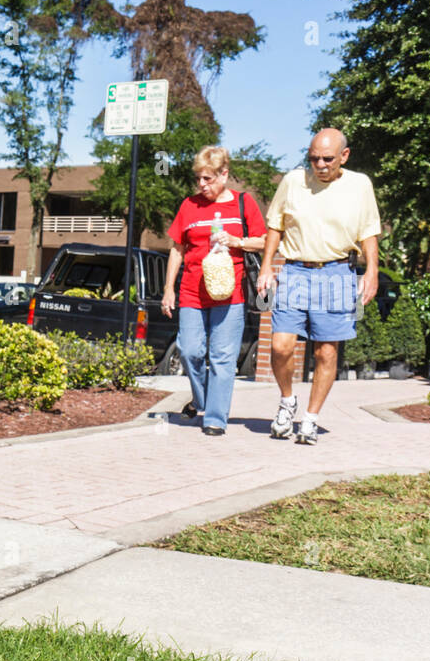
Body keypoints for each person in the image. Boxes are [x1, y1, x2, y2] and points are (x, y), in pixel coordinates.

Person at [256, 128, 380, 444]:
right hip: (295, 271)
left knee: (326, 351)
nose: (320, 164)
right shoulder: (293, 181)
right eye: (314, 158)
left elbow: (369, 232)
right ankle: (287, 402)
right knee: (280, 346)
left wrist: (372, 272)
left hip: (338, 273)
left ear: (344, 156)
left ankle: (310, 419)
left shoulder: (359, 185)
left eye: (327, 158)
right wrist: (268, 265)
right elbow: (275, 225)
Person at [161, 146, 267, 435]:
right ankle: (201, 398)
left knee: (222, 356)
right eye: (198, 178)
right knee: (189, 351)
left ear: (224, 174)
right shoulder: (189, 206)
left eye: (208, 178)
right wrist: (169, 289)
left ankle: (215, 419)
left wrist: (237, 241)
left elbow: (265, 241)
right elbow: (176, 249)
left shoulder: (244, 204)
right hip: (193, 292)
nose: (201, 184)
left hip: (229, 295)